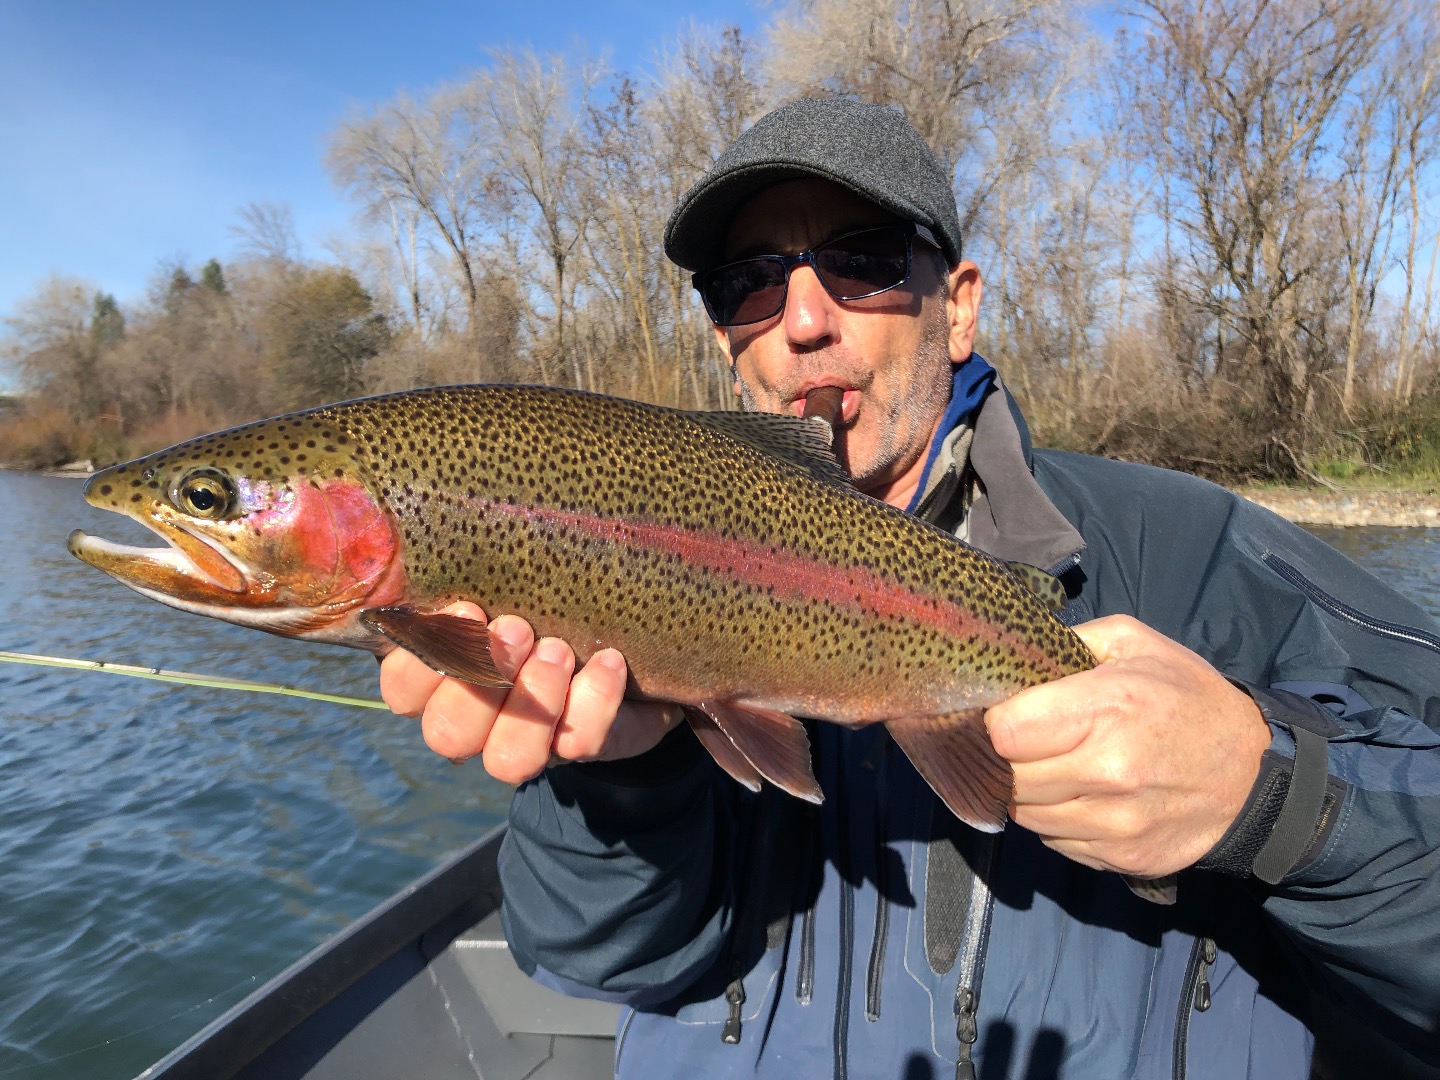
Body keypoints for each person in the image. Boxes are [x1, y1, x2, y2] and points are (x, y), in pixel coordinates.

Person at [379, 98, 1440, 1078]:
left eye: (861, 260)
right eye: (749, 281)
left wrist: (1274, 802)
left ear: (960, 307)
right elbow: (592, 962)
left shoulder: (1191, 547)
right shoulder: (615, 564)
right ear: (722, 339)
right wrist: (626, 778)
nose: (801, 319)